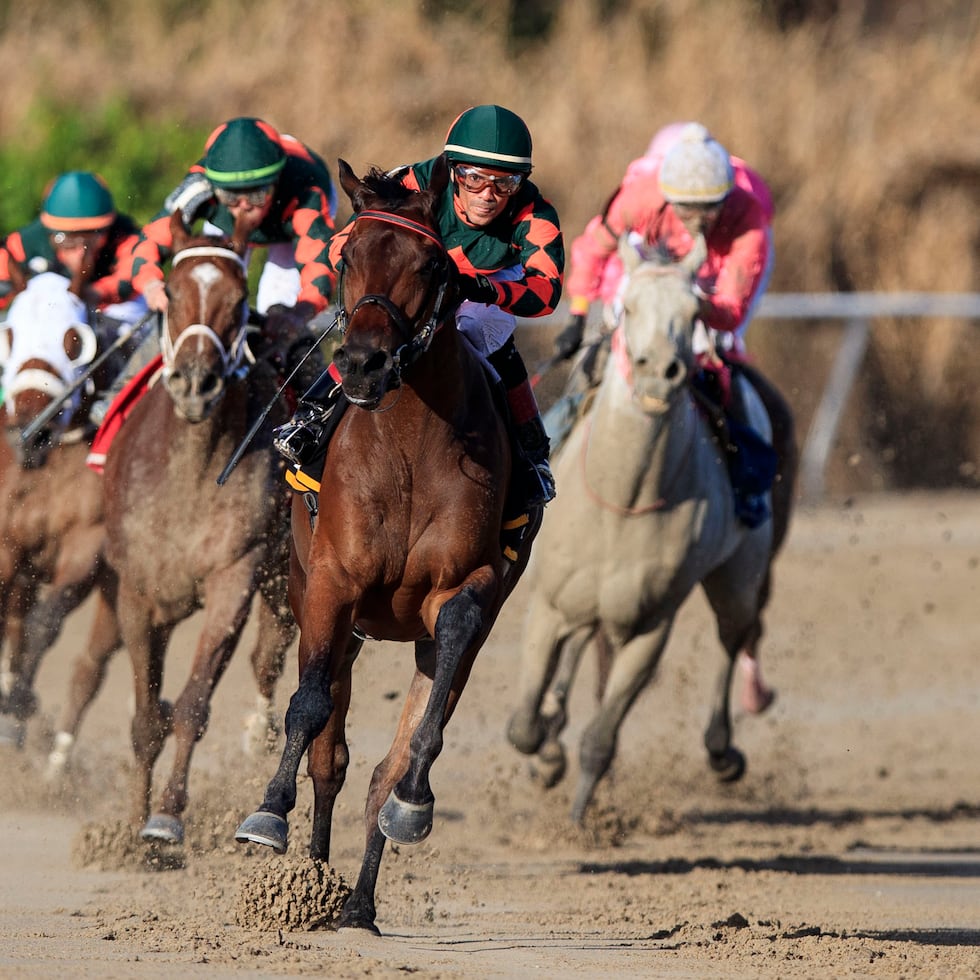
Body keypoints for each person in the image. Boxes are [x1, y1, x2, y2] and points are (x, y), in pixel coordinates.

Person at [273, 104, 565, 508]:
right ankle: (311, 416)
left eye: (505, 183)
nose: (488, 195)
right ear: (454, 170)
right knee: (376, 326)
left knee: (478, 330)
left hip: (488, 284)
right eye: (475, 178)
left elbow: (546, 291)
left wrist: (483, 288)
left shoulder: (536, 212)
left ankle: (531, 451)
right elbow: (342, 244)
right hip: (416, 275)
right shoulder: (411, 181)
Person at [97, 116, 338, 421]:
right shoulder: (199, 185)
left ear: (276, 182)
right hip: (227, 229)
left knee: (278, 306)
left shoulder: (306, 192)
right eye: (231, 197)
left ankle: (314, 412)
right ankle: (121, 393)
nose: (243, 207)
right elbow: (149, 242)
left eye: (256, 195)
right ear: (213, 188)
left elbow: (318, 268)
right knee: (195, 294)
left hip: (286, 231)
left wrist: (298, 314)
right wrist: (152, 285)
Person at [555, 121, 774, 363]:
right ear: (669, 199)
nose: (698, 222)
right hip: (652, 260)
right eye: (687, 210)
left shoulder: (748, 219)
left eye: (708, 210)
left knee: (714, 348)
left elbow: (731, 310)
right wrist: (578, 315)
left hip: (714, 275)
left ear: (725, 200)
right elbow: (592, 250)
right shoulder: (641, 197)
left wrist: (695, 306)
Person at [0, 171, 146, 331]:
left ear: (108, 227)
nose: (81, 252)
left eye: (92, 238)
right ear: (49, 232)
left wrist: (94, 293)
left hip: (110, 312)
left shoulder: (127, 235)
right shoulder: (24, 242)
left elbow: (132, 276)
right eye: (68, 241)